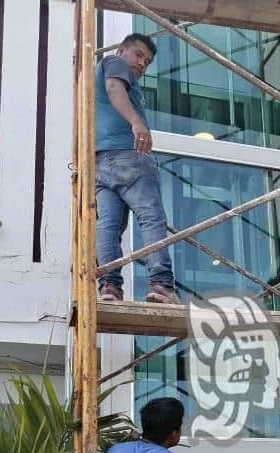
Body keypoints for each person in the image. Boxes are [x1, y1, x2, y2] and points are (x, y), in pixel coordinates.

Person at [95, 33, 178, 304]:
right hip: (129, 155)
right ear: (122, 50)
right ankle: (162, 284)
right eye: (139, 55)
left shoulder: (99, 76)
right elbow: (114, 89)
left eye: (148, 61)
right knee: (151, 217)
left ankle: (109, 286)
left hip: (101, 162)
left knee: (108, 226)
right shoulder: (114, 63)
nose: (143, 64)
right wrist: (136, 122)